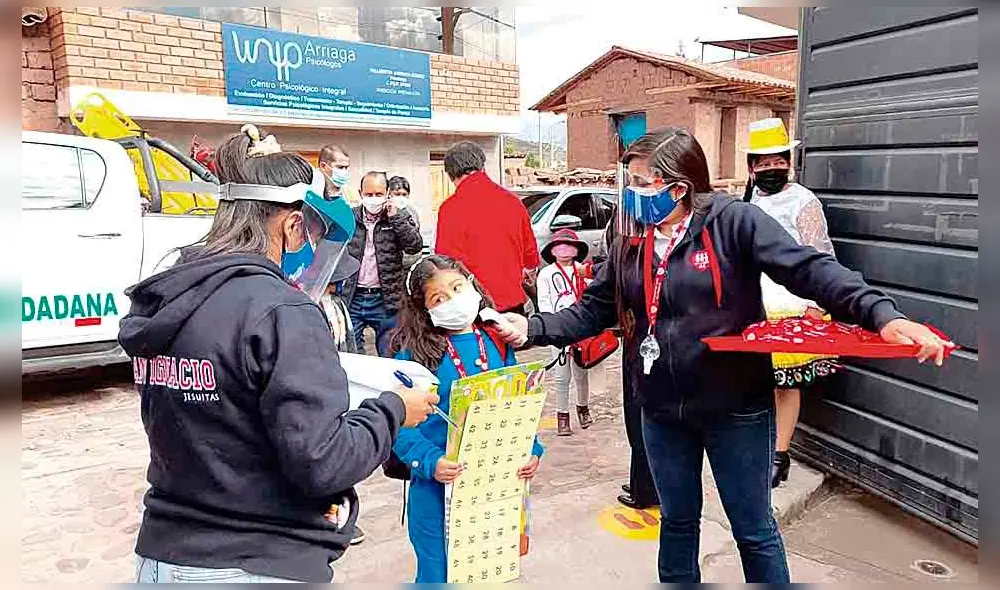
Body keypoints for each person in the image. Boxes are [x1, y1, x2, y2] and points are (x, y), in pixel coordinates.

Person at [496, 127, 953, 583]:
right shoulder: (629, 240)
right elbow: (594, 309)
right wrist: (533, 328)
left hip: (735, 408)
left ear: (679, 186)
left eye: (642, 183)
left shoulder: (735, 222)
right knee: (676, 521)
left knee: (752, 528)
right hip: (659, 408)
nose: (631, 194)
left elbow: (810, 269)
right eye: (629, 182)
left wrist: (881, 316)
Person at [118, 125, 439, 584]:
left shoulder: (172, 294)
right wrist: (391, 410)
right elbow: (323, 461)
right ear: (292, 224)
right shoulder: (280, 310)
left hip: (161, 555)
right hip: (255, 559)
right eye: (312, 236)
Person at [388, 254, 544, 583]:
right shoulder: (414, 356)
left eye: (457, 288)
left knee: (489, 570)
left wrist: (531, 449)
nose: (452, 301)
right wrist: (430, 461)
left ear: (472, 283)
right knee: (438, 574)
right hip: (437, 487)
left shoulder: (497, 341)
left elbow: (517, 401)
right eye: (438, 298)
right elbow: (398, 424)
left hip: (494, 482)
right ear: (424, 309)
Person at [742, 118, 840, 488]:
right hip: (752, 303)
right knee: (755, 383)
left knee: (786, 384)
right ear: (752, 167)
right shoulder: (746, 200)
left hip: (791, 301)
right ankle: (757, 448)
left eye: (778, 161)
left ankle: (780, 455)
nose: (771, 169)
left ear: (789, 161)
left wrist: (818, 302)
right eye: (763, 163)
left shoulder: (803, 201)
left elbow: (820, 255)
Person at [434, 141, 541, 314]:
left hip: (473, 305)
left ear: (451, 175)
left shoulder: (450, 208)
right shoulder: (513, 201)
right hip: (512, 301)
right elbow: (530, 254)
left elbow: (446, 261)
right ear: (482, 166)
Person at [598, 218, 658, 510]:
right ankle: (641, 481)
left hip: (652, 343)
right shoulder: (623, 231)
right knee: (634, 419)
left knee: (644, 418)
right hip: (634, 337)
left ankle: (647, 490)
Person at [341, 171, 424, 356]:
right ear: (360, 193)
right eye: (369, 194)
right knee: (352, 354)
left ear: (387, 193)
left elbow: (414, 246)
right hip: (353, 296)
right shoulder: (350, 218)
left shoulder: (398, 216)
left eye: (378, 194)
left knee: (389, 354)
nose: (373, 199)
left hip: (386, 299)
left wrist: (396, 217)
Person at [536, 228, 594, 436]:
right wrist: (553, 328)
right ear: (552, 251)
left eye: (569, 245)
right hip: (559, 330)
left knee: (581, 374)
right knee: (562, 376)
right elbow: (544, 304)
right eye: (559, 245)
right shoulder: (546, 274)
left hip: (581, 329)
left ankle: (583, 408)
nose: (564, 249)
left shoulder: (583, 272)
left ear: (577, 250)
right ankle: (562, 415)